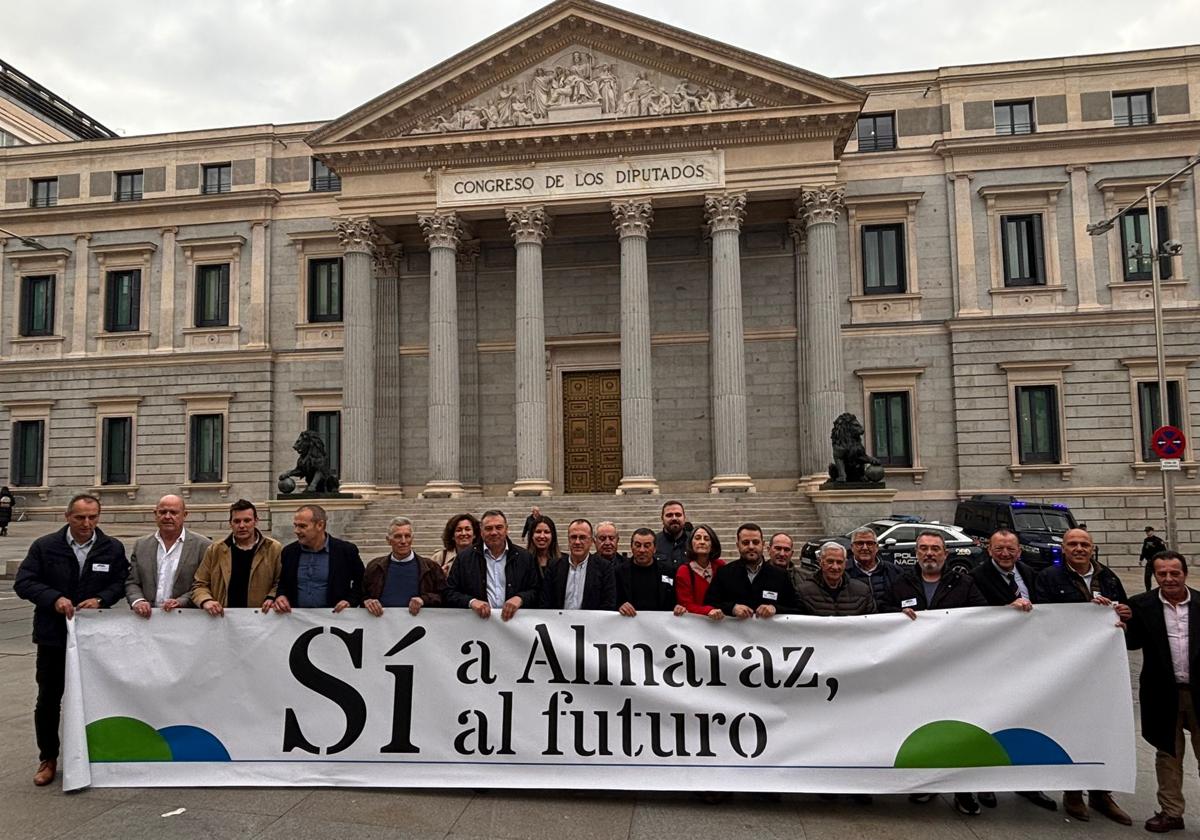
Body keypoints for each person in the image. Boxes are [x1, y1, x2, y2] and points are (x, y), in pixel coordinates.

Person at [14, 493, 129, 786]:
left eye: (92, 517)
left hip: (94, 639)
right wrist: (53, 599)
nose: (86, 523)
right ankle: (48, 757)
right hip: (53, 636)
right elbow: (24, 582)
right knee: (49, 699)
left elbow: (120, 582)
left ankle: (93, 756)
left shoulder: (111, 548)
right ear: (67, 517)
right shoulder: (45, 546)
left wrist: (102, 598)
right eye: (80, 517)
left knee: (95, 698)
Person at [1034, 527, 1132, 824]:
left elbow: (1126, 615)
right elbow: (1042, 622)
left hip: (1103, 668)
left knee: (1104, 726)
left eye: (1084, 544)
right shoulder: (1049, 579)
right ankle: (1073, 792)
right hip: (1066, 668)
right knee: (1071, 726)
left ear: (1092, 548)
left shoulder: (1109, 578)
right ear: (1063, 549)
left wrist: (1124, 615)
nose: (1078, 548)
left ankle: (1102, 793)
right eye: (1072, 544)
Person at [895, 530, 987, 816]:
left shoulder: (963, 582)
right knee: (925, 730)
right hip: (916, 673)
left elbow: (985, 616)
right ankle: (927, 782)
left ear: (945, 554)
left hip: (954, 672)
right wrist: (897, 617)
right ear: (916, 553)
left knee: (959, 730)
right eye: (924, 549)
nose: (929, 554)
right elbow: (882, 614)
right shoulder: (901, 584)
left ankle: (964, 790)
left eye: (935, 549)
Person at [968, 529, 1056, 812]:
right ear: (989, 550)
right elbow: (975, 614)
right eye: (999, 548)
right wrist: (1007, 611)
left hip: (1028, 663)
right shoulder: (977, 577)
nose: (1005, 554)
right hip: (992, 663)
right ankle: (986, 783)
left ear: (1019, 551)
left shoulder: (1030, 574)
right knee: (989, 721)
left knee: (1029, 720)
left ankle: (1028, 783)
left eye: (1010, 549)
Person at [1126, 551, 1199, 833]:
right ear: (1155, 575)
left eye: (1174, 573)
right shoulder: (1142, 605)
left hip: (1198, 691)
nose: (1168, 579)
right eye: (1162, 574)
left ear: (1184, 574)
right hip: (1162, 692)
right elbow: (1132, 642)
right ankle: (1171, 812)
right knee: (1168, 754)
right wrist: (1119, 621)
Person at [191, 499, 283, 617]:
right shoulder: (215, 550)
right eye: (237, 521)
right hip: (222, 619)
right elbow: (200, 584)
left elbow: (281, 582)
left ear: (256, 521)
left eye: (247, 520)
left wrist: (272, 597)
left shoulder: (273, 549)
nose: (242, 525)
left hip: (261, 619)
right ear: (230, 523)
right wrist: (206, 600)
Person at [125, 494, 212, 618]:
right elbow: (132, 581)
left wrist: (181, 601)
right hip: (146, 619)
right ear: (155, 514)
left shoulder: (203, 546)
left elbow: (205, 584)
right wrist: (138, 601)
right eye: (163, 512)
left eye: (173, 512)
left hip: (187, 619)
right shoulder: (141, 545)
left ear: (185, 515)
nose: (167, 517)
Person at [444, 509, 540, 619]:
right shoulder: (464, 558)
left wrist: (520, 598)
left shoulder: (525, 558)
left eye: (499, 527)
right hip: (478, 625)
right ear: (481, 531)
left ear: (506, 529)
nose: (494, 532)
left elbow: (536, 590)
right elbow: (449, 592)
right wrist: (471, 602)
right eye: (488, 528)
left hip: (514, 626)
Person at [274, 505, 363, 613]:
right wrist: (281, 596)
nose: (296, 531)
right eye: (295, 525)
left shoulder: (345, 551)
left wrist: (350, 601)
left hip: (335, 620)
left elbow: (362, 582)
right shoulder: (289, 552)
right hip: (296, 622)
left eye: (302, 526)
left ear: (320, 525)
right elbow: (283, 583)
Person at [704, 523, 798, 618]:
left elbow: (797, 609)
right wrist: (732, 608)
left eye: (756, 542)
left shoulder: (781, 576)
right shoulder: (724, 573)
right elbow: (709, 604)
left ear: (763, 544)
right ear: (738, 545)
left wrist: (775, 608)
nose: (751, 547)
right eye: (745, 543)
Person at [362, 516, 445, 616]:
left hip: (420, 626)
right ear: (388, 540)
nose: (403, 541)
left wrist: (424, 599)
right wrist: (367, 601)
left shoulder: (431, 567)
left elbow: (444, 596)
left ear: (412, 539)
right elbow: (362, 594)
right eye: (397, 536)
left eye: (407, 536)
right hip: (382, 626)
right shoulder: (374, 567)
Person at [542, 519, 616, 610]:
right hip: (558, 622)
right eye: (573, 537)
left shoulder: (604, 568)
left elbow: (608, 602)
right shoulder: (554, 566)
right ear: (568, 540)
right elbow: (545, 601)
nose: (577, 542)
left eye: (582, 537)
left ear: (591, 541)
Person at [795, 542, 874, 616]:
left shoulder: (862, 591)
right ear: (821, 562)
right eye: (830, 561)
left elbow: (873, 623)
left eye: (839, 562)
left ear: (845, 564)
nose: (835, 567)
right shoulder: (803, 592)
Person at [616, 527, 677, 615]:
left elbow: (675, 601)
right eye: (637, 545)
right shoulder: (619, 572)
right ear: (631, 547)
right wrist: (620, 605)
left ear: (655, 548)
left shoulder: (668, 572)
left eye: (647, 546)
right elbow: (612, 600)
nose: (642, 550)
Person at [845, 527, 904, 612]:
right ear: (852, 547)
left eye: (869, 543)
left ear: (876, 547)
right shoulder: (843, 573)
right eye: (860, 543)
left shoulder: (895, 571)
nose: (865, 548)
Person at [674, 524, 724, 617]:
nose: (702, 542)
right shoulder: (684, 571)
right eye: (697, 538)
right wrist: (708, 611)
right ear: (691, 543)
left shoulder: (720, 566)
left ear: (712, 544)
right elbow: (686, 604)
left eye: (706, 539)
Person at [655, 500, 691, 568]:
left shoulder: (694, 541)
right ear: (662, 518)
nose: (674, 518)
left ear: (684, 518)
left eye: (678, 515)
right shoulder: (653, 543)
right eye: (669, 515)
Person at [525, 514, 560, 579]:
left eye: (546, 532)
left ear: (553, 536)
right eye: (538, 532)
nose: (542, 536)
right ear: (532, 536)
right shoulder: (522, 562)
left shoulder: (563, 562)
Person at [1143, 526, 1169, 592]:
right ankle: (1148, 590)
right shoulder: (1146, 540)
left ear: (1152, 531)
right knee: (1147, 577)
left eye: (1148, 531)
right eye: (1146, 532)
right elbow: (1144, 550)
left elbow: (1163, 551)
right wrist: (1141, 559)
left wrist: (1163, 560)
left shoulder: (1158, 540)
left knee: (1159, 575)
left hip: (1156, 561)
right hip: (1149, 561)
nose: (1147, 533)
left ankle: (1163, 588)